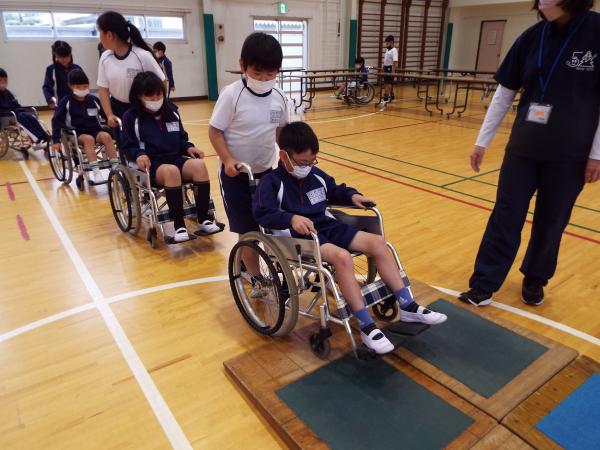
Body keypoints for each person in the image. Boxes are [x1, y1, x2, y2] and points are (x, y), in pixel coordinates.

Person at [254, 122, 447, 354]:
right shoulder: (272, 182)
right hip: (297, 238)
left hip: (326, 226)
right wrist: (290, 218)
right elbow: (262, 213)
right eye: (302, 162)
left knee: (378, 243)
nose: (307, 166)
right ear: (284, 154)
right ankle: (366, 326)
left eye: (312, 161)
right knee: (342, 257)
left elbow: (336, 189)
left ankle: (407, 305)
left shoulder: (316, 175)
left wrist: (353, 196)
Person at [460, 0, 600, 307]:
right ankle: (484, 282)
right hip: (523, 149)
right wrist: (482, 141)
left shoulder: (596, 32)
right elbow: (504, 93)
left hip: (570, 155)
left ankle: (535, 278)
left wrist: (597, 154)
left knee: (552, 221)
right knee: (505, 215)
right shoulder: (531, 36)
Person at [209, 32, 288, 277]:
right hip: (237, 175)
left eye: (270, 74)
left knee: (272, 223)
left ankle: (269, 266)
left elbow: (281, 132)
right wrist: (228, 159)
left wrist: (286, 157)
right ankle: (255, 278)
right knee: (248, 228)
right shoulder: (232, 95)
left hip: (267, 172)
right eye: (257, 73)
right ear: (242, 65)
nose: (264, 79)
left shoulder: (280, 97)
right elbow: (215, 132)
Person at [122, 72, 222, 242]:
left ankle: (204, 218)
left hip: (175, 158)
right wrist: (139, 154)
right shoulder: (131, 117)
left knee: (199, 166)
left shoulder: (172, 112)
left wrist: (189, 147)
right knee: (171, 172)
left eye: (158, 94)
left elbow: (181, 138)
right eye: (149, 96)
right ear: (139, 95)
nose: (155, 99)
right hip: (151, 164)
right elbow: (127, 145)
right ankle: (179, 226)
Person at [96, 11, 167, 127]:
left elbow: (162, 82)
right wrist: (109, 114)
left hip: (141, 110)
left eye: (100, 33)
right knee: (123, 144)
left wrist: (156, 106)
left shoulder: (142, 56)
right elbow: (103, 89)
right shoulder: (105, 57)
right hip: (117, 110)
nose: (99, 37)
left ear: (109, 35)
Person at [51, 69, 119, 183]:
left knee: (106, 136)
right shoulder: (66, 101)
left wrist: (111, 119)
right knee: (89, 139)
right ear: (70, 86)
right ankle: (96, 173)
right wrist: (56, 140)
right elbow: (56, 120)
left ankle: (116, 168)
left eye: (85, 86)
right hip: (76, 133)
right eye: (79, 87)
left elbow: (106, 114)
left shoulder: (93, 100)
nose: (82, 89)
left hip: (95, 130)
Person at [0, 68, 50, 149]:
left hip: (14, 113)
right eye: (0, 81)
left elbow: (15, 104)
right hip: (5, 116)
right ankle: (36, 139)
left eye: (5, 80)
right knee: (20, 118)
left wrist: (21, 109)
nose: (3, 83)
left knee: (31, 116)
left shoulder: (8, 93)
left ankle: (45, 136)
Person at [43, 41, 82, 109]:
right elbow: (47, 87)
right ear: (55, 55)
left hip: (76, 103)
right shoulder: (51, 69)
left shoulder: (77, 68)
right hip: (59, 105)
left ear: (70, 55)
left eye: (66, 57)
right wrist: (50, 100)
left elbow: (83, 85)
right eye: (60, 57)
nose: (64, 60)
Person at [382, 35, 398, 103]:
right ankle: (392, 95)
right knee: (387, 82)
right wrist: (383, 68)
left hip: (390, 68)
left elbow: (395, 61)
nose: (386, 44)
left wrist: (393, 71)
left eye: (387, 43)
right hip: (386, 67)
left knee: (387, 83)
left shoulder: (394, 50)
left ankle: (386, 96)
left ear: (391, 42)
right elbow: (385, 60)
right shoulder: (387, 50)